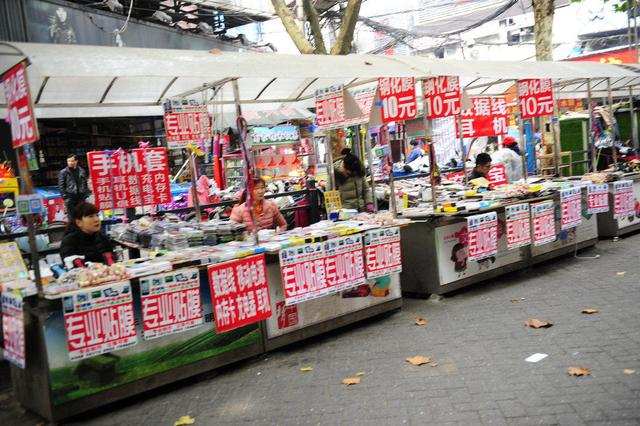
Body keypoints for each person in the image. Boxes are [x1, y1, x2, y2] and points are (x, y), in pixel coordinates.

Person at [58, 154, 91, 221]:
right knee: (71, 217)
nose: (70, 163)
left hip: (81, 197)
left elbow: (85, 183)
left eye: (72, 161)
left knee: (81, 216)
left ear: (76, 161)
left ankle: (81, 230)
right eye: (68, 161)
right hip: (70, 197)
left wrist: (86, 194)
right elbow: (61, 186)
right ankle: (72, 230)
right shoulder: (63, 172)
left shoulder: (82, 170)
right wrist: (66, 198)